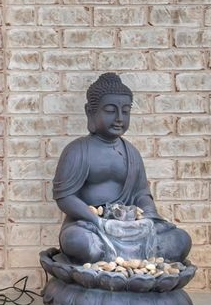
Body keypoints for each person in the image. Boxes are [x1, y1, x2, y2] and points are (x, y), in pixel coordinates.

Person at [51, 72, 192, 265]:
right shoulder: (77, 150)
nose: (119, 118)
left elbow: (142, 193)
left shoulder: (131, 153)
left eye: (125, 111)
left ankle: (122, 262)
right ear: (90, 112)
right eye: (110, 110)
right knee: (77, 241)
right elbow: (64, 197)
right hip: (91, 226)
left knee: (180, 240)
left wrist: (149, 216)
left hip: (131, 225)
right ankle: (128, 260)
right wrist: (97, 220)